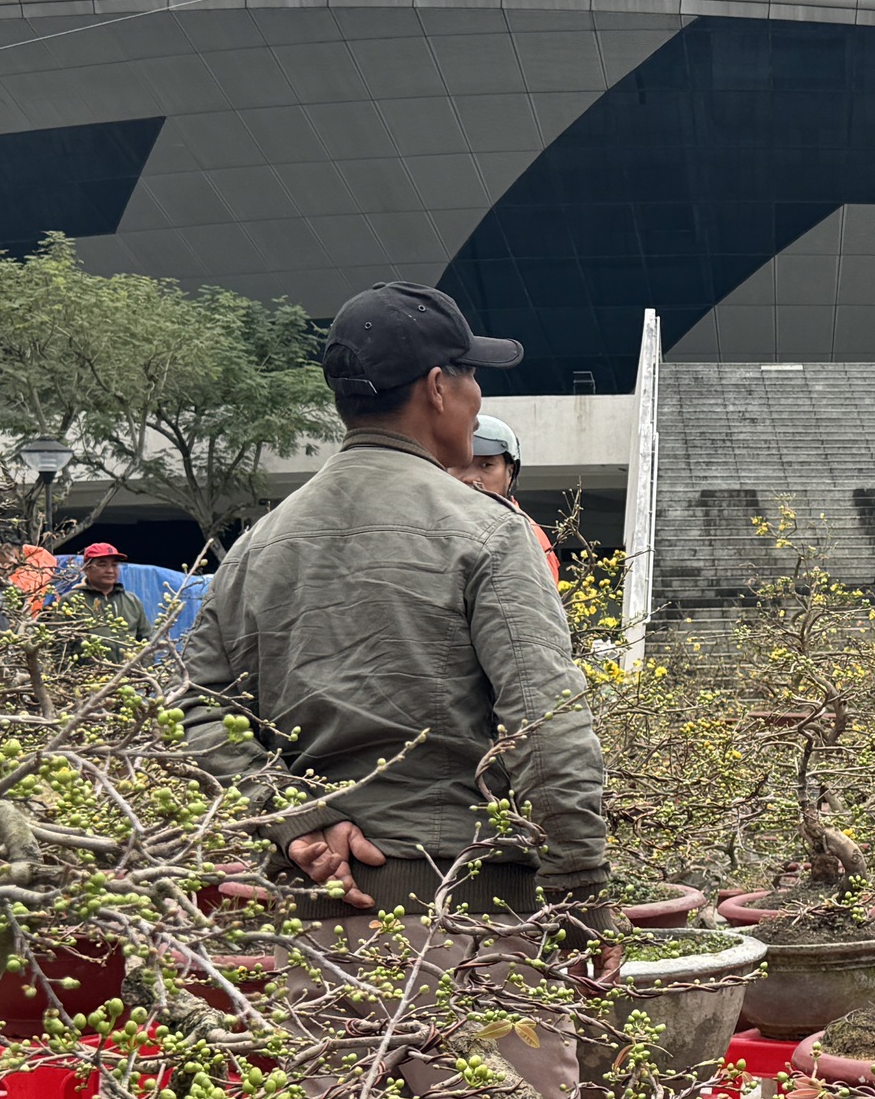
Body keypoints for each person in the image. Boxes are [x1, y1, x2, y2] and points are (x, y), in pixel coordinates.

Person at [180, 280, 609, 920]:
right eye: (471, 378)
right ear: (438, 387)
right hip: (467, 904)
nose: (477, 397)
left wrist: (297, 817)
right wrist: (579, 890)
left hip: (314, 907)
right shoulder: (490, 530)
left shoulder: (256, 545)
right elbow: (546, 723)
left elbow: (194, 707)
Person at [451, 412, 561, 583]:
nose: (471, 478)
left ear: (510, 473)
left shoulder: (527, 538)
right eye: (460, 465)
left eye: (486, 465)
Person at [63, 541, 150, 647]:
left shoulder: (131, 601)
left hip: (129, 664)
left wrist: (141, 663)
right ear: (86, 568)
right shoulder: (72, 600)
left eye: (114, 565)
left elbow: (146, 641)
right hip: (90, 664)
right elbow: (59, 644)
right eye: (102, 565)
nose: (110, 570)